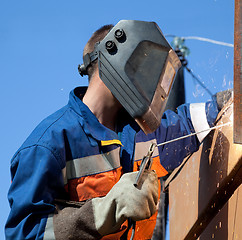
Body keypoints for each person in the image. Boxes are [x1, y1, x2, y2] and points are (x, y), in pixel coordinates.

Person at [5, 20, 230, 240]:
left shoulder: (143, 132)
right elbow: (24, 233)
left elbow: (189, 124)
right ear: (114, 57)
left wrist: (226, 105)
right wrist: (104, 212)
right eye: (144, 65)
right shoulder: (49, 144)